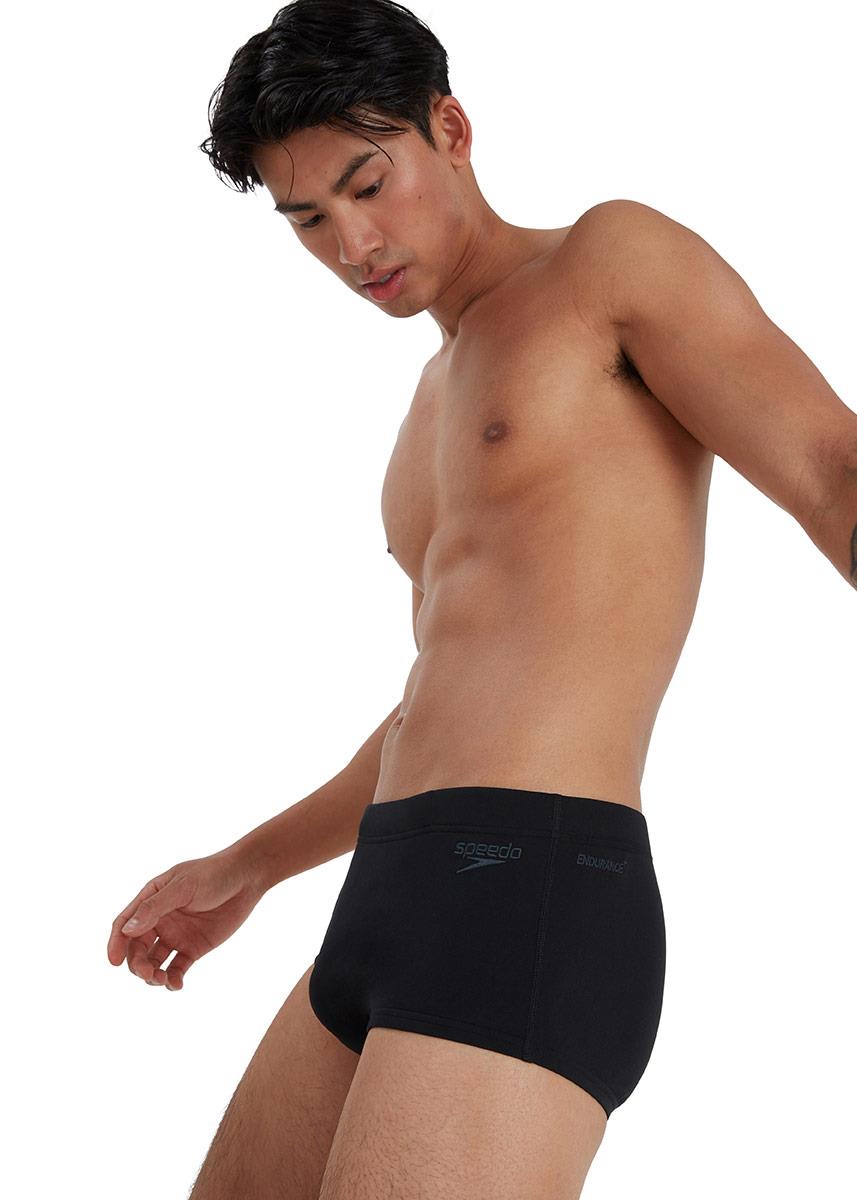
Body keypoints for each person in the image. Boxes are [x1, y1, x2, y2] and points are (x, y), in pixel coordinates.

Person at [106, 1, 857, 1196]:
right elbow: (439, 704)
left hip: (532, 892)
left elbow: (828, 472)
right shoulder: (426, 410)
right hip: (387, 889)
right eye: (308, 219)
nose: (352, 244)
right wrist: (249, 863)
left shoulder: (606, 263)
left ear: (449, 130)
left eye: (367, 185)